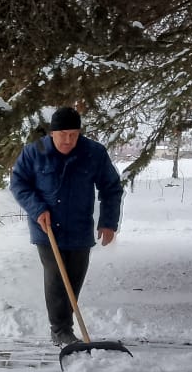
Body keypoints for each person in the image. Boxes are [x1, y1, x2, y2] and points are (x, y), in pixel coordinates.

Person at [9, 107, 124, 347]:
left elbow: (111, 188)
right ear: (52, 133)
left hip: (80, 228)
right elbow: (19, 182)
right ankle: (60, 330)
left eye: (74, 134)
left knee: (73, 279)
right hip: (47, 228)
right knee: (56, 277)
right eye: (63, 134)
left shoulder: (93, 153)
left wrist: (108, 222)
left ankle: (65, 326)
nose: (69, 140)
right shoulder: (35, 152)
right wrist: (37, 208)